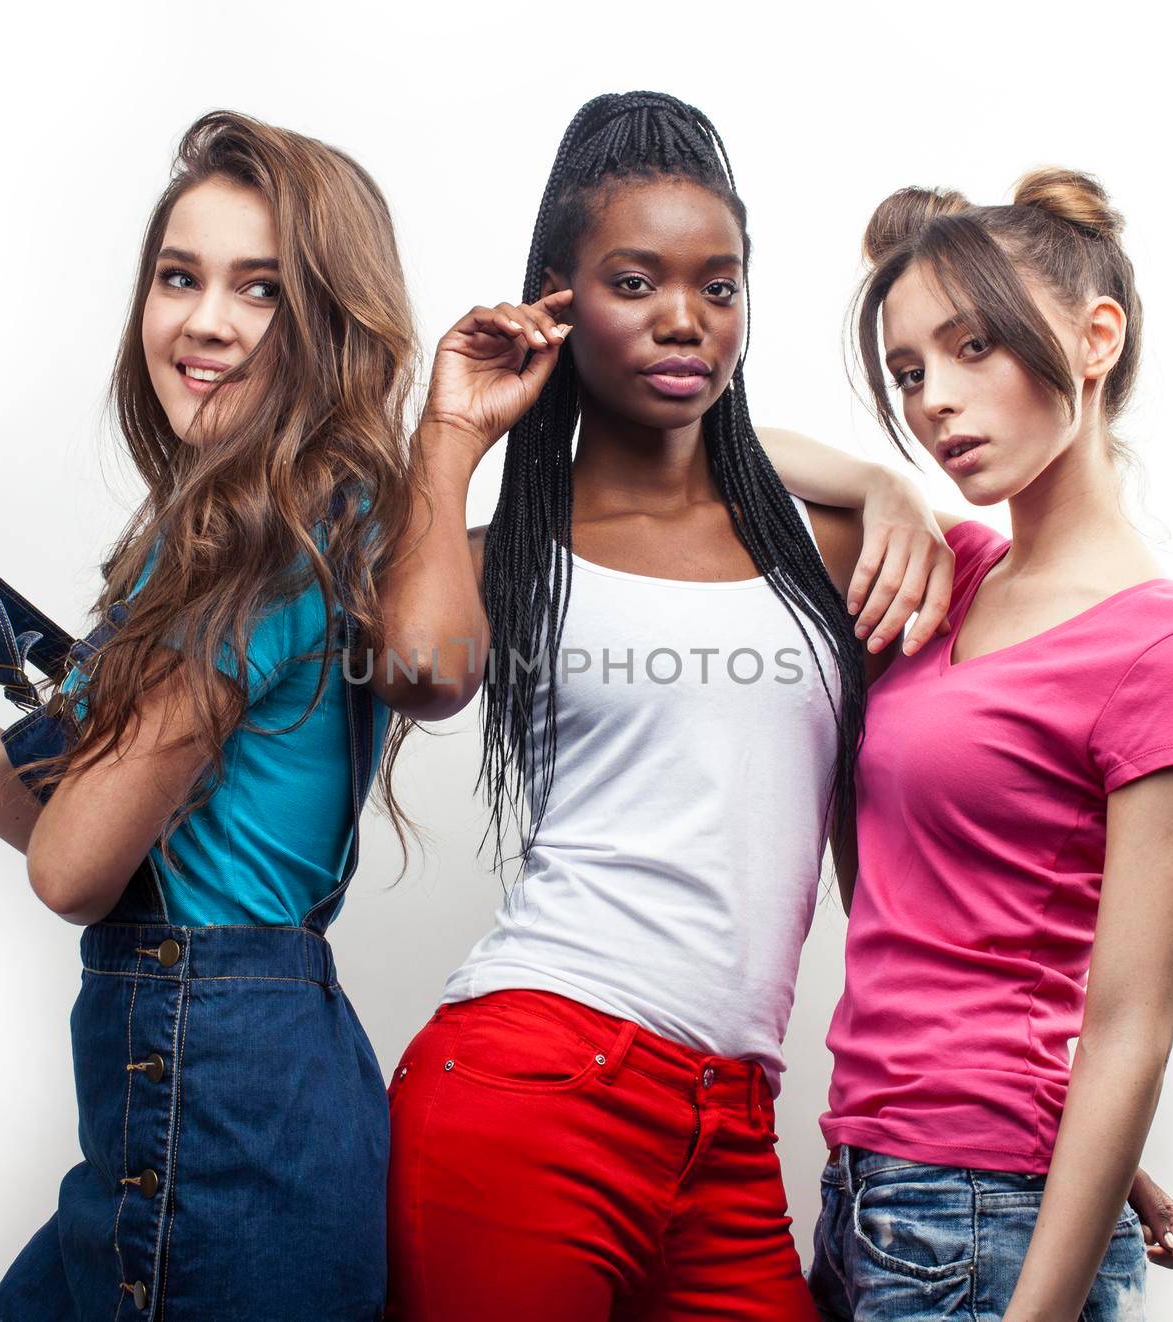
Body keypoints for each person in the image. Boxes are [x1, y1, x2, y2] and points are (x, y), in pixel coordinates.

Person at [0, 110, 418, 1321]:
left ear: (333, 324)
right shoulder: (208, 539)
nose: (204, 320)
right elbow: (65, 817)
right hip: (207, 1098)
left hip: (228, 1109)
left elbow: (72, 863)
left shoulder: (280, 536)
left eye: (263, 291)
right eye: (179, 276)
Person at [374, 89, 967, 1322]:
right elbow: (424, 674)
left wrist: (880, 480)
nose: (684, 319)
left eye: (719, 284)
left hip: (735, 1131)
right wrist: (447, 434)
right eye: (635, 282)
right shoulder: (507, 553)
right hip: (531, 1087)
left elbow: (908, 857)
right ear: (558, 298)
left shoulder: (825, 535)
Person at [767, 171, 1173, 1321]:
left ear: (1093, 337)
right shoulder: (947, 571)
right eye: (908, 370)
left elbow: (1133, 1021)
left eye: (973, 347)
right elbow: (705, 439)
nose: (933, 400)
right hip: (877, 1181)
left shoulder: (1166, 652)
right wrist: (884, 485)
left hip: (980, 1223)